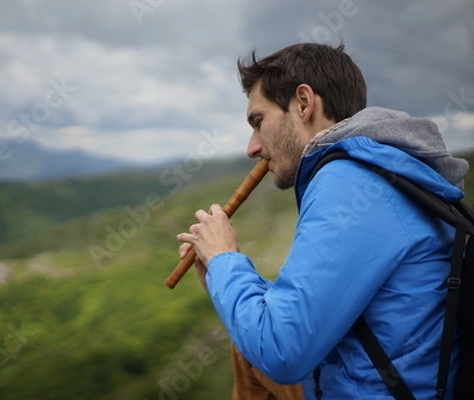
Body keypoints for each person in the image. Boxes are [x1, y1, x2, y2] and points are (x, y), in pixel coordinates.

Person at [176, 42, 470, 399]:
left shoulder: (350, 182)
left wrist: (225, 259)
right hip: (376, 378)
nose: (252, 147)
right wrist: (220, 278)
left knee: (255, 354)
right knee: (244, 352)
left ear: (303, 103)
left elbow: (281, 350)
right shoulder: (382, 167)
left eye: (258, 121)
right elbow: (307, 315)